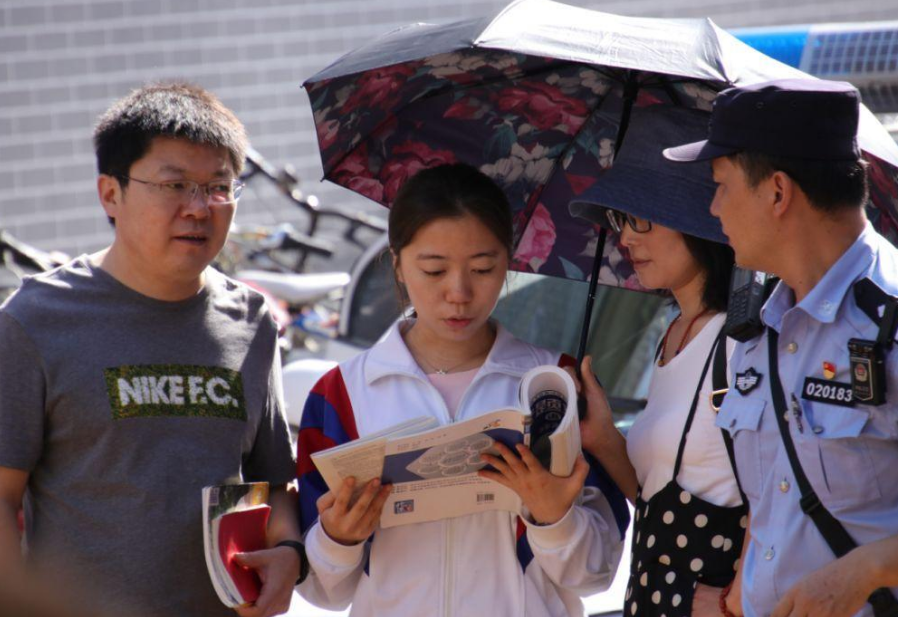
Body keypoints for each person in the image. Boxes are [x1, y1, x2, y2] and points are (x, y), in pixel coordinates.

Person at [0, 82, 303, 617]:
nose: (199, 208)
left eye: (218, 186)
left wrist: (287, 553)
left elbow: (272, 484)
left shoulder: (252, 322)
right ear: (110, 194)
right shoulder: (35, 320)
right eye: (175, 185)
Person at [295, 162, 629, 616]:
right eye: (434, 271)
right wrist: (339, 538)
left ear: (508, 261)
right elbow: (322, 592)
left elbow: (596, 575)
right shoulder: (340, 395)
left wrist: (553, 516)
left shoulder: (555, 385)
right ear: (397, 264)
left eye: (483, 268)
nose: (459, 292)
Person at [664, 78, 898, 617]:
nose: (713, 208)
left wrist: (864, 572)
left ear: (777, 192)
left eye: (721, 184)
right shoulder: (757, 328)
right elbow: (779, 503)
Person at [569, 106, 746, 617]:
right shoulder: (671, 336)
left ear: (695, 214)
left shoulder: (742, 341)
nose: (624, 237)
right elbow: (659, 499)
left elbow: (776, 495)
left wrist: (739, 599)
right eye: (620, 219)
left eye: (640, 216)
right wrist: (602, 436)